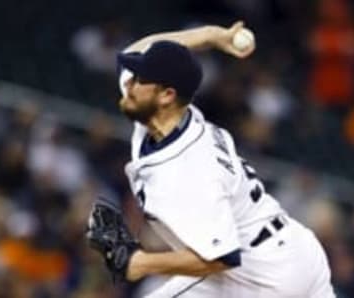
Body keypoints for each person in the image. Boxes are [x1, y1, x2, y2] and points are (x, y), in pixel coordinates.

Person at [98, 21, 335, 298]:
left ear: (167, 95)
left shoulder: (191, 169)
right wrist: (211, 36)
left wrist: (141, 263)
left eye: (139, 80)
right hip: (296, 250)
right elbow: (135, 50)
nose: (129, 84)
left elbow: (222, 256)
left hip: (262, 277)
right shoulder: (166, 114)